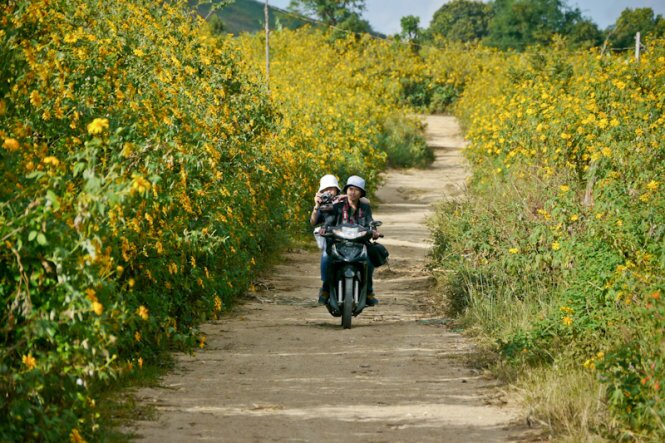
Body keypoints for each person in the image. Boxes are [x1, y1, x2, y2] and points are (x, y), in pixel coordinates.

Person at [320, 175, 381, 307]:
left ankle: (369, 292)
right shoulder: (338, 206)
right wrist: (325, 228)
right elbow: (330, 220)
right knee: (330, 260)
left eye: (356, 190)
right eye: (350, 189)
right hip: (339, 244)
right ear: (346, 190)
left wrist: (374, 231)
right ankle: (325, 290)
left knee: (369, 263)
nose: (352, 192)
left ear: (361, 193)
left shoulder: (365, 208)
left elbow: (370, 221)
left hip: (359, 244)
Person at [310, 174, 341, 303]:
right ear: (321, 192)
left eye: (331, 188)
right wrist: (316, 205)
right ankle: (325, 288)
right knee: (326, 256)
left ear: (337, 190)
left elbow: (362, 205)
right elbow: (313, 222)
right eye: (325, 189)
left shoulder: (344, 201)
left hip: (346, 239)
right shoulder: (322, 205)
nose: (328, 191)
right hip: (331, 240)